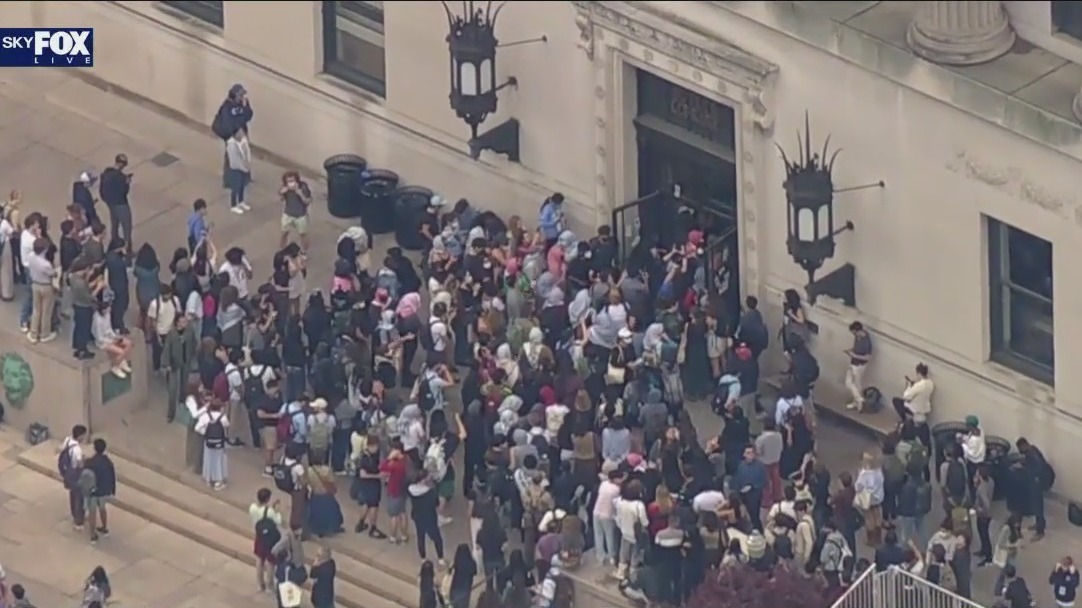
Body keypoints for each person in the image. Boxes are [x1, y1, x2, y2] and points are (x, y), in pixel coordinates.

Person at [249, 487, 284, 594]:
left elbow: (262, 512)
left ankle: (260, 584)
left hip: (259, 537)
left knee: (259, 560)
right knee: (270, 563)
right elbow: (278, 521)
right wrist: (277, 511)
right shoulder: (271, 512)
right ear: (268, 499)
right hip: (270, 540)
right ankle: (269, 586)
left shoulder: (253, 508)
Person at [83, 438, 116, 544]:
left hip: (93, 491)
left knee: (92, 512)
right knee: (102, 509)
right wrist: (112, 490)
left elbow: (85, 472)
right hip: (104, 490)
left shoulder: (91, 462)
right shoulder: (108, 462)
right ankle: (104, 528)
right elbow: (112, 476)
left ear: (95, 448)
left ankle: (93, 535)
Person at [99, 153, 133, 255]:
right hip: (121, 204)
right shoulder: (121, 178)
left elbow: (102, 191)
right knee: (127, 227)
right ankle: (128, 250)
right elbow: (123, 192)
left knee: (114, 225)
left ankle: (114, 245)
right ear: (122, 164)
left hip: (110, 204)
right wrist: (127, 183)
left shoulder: (106, 172)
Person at [92, 299, 133, 378]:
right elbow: (99, 337)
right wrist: (111, 342)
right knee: (120, 352)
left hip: (110, 338)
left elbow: (109, 328)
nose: (108, 310)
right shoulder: (97, 320)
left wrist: (115, 337)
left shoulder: (107, 314)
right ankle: (115, 367)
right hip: (103, 343)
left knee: (129, 344)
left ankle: (122, 361)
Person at [195, 399, 229, 490]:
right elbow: (226, 425)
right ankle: (218, 481)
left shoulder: (205, 416)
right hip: (219, 443)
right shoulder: (223, 417)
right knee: (218, 460)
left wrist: (205, 433)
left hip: (208, 442)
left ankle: (208, 478)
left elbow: (197, 428)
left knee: (208, 459)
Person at [59, 424, 88, 529]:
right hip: (75, 474)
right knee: (79, 497)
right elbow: (80, 464)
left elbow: (60, 450)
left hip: (67, 472)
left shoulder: (67, 440)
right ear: (80, 436)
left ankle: (74, 514)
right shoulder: (77, 450)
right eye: (83, 436)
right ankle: (78, 521)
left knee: (72, 494)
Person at [225, 127, 253, 213]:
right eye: (240, 132)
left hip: (245, 167)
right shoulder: (231, 145)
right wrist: (244, 168)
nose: (242, 134)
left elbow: (248, 152)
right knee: (235, 187)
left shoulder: (243, 141)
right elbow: (235, 160)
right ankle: (233, 205)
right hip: (236, 169)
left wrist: (248, 163)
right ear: (235, 134)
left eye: (242, 132)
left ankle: (241, 201)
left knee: (242, 186)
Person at [448, 543, 477, 608]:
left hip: (455, 587)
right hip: (466, 588)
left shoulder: (456, 562)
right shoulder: (472, 562)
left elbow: (449, 572)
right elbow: (475, 572)